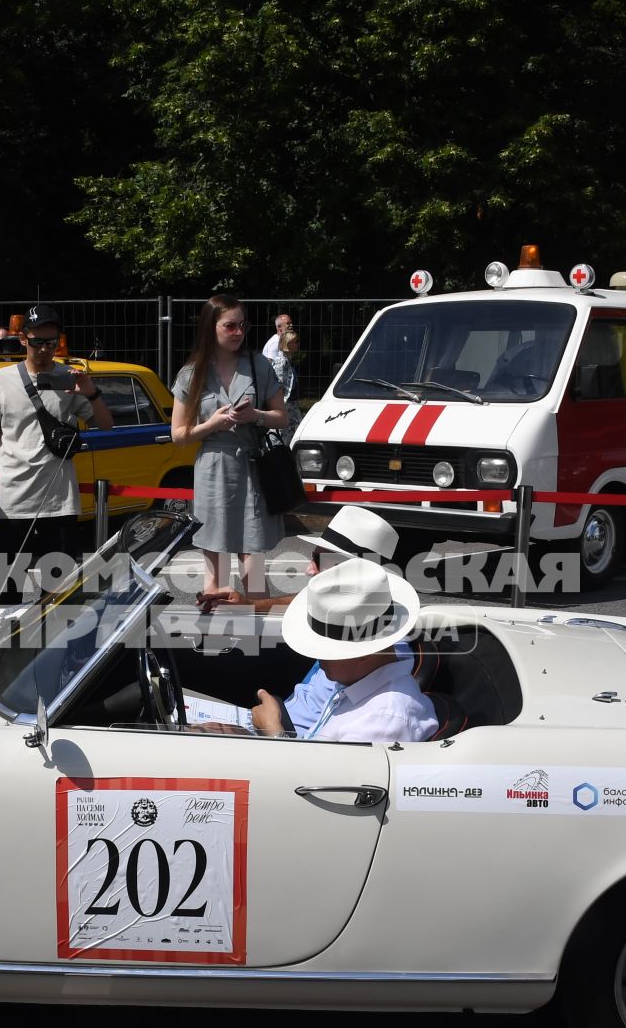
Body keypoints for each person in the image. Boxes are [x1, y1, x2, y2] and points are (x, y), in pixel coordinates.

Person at [0, 303, 113, 606]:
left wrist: (90, 391)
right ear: (24, 339)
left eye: (51, 342)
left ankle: (53, 649)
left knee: (59, 595)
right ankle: (4, 648)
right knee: (4, 593)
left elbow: (105, 425)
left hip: (59, 499)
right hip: (12, 499)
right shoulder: (2, 379)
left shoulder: (69, 378)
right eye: (37, 342)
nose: (44, 350)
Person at [170, 294, 288, 600]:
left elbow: (282, 418)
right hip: (213, 469)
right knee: (217, 574)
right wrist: (213, 425)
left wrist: (256, 416)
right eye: (230, 325)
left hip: (252, 467)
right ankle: (218, 639)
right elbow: (179, 435)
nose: (238, 332)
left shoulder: (258, 364)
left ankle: (259, 637)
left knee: (255, 569)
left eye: (242, 325)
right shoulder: (192, 373)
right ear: (212, 327)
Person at [251, 558, 436, 742]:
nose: (317, 657)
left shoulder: (382, 721)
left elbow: (320, 772)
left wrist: (274, 731)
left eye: (326, 650)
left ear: (363, 653)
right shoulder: (358, 684)